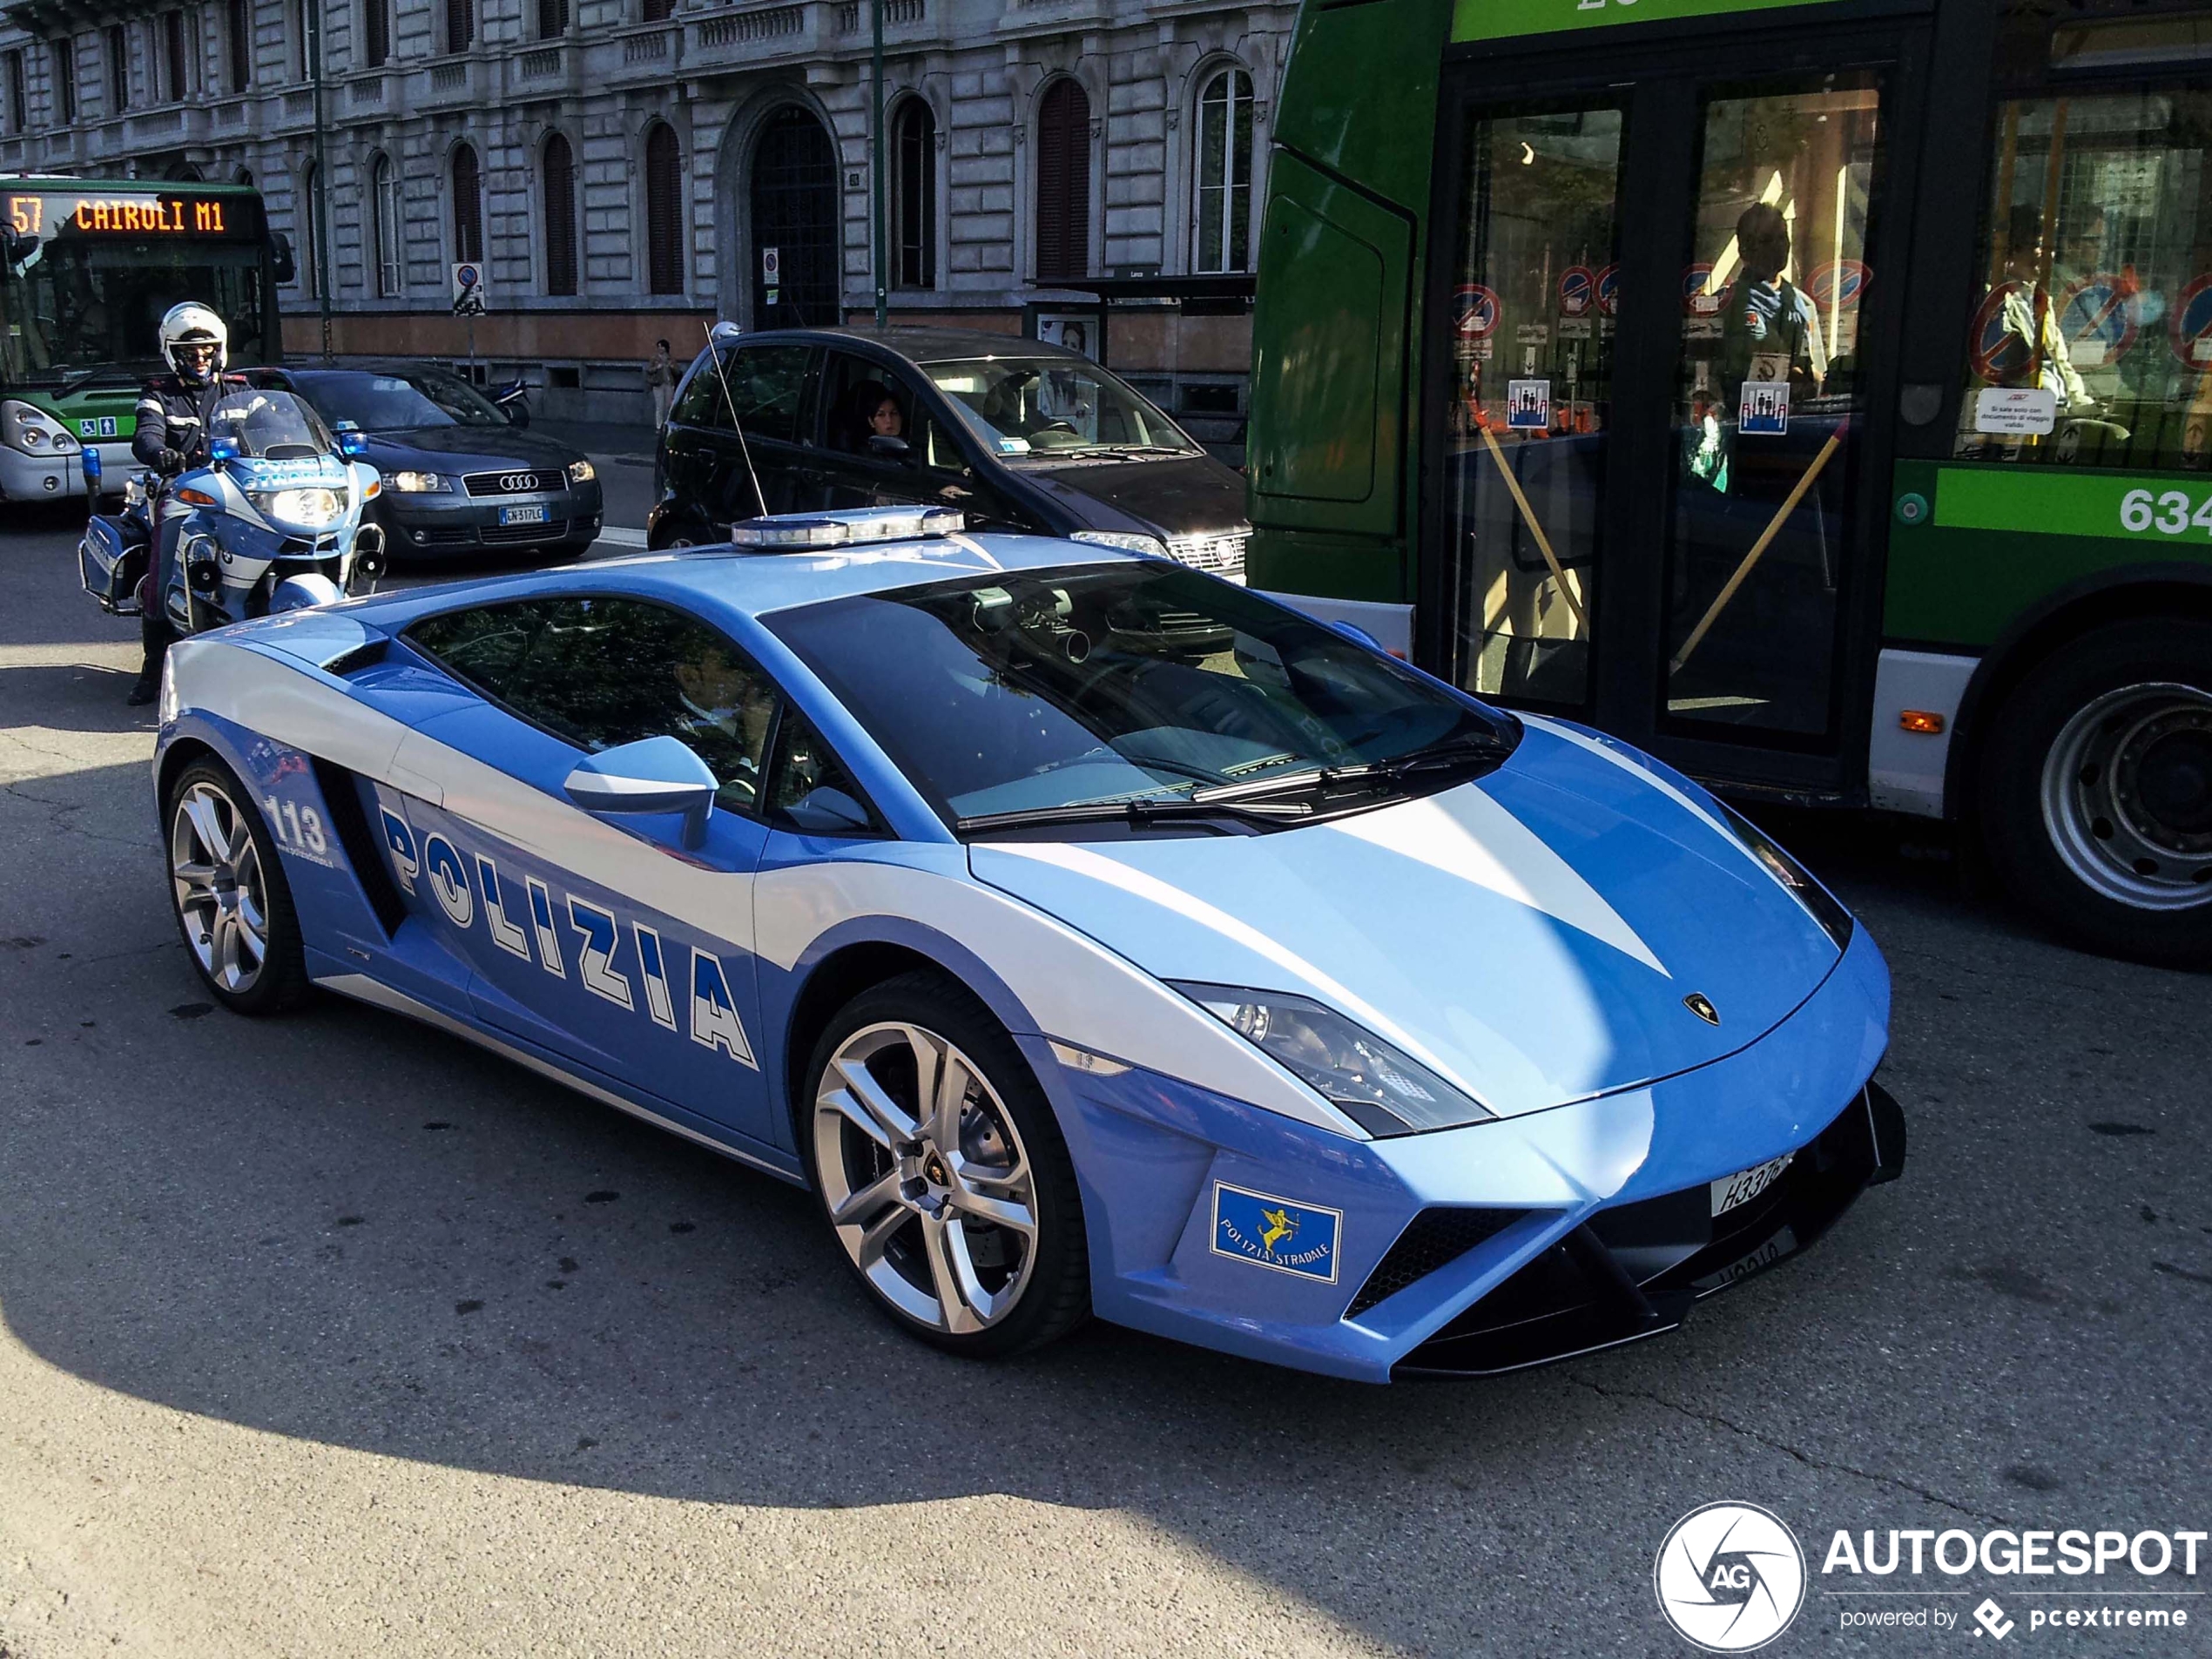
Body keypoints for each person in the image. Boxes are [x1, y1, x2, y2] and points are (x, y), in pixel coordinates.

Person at [125, 302, 247, 706]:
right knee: (165, 561)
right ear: (173, 354)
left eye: (207, 351)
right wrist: (159, 453)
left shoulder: (240, 389)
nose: (200, 359)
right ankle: (152, 668)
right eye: (190, 353)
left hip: (237, 490)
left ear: (219, 350)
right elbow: (145, 435)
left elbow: (269, 428)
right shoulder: (159, 394)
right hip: (183, 490)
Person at [644, 338, 678, 428]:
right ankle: (659, 426)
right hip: (658, 384)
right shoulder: (654, 358)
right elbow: (648, 370)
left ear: (666, 348)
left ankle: (667, 424)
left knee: (668, 405)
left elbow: (677, 372)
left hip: (669, 384)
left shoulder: (671, 358)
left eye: (662, 346)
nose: (660, 348)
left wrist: (672, 367)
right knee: (659, 406)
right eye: (658, 346)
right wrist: (656, 368)